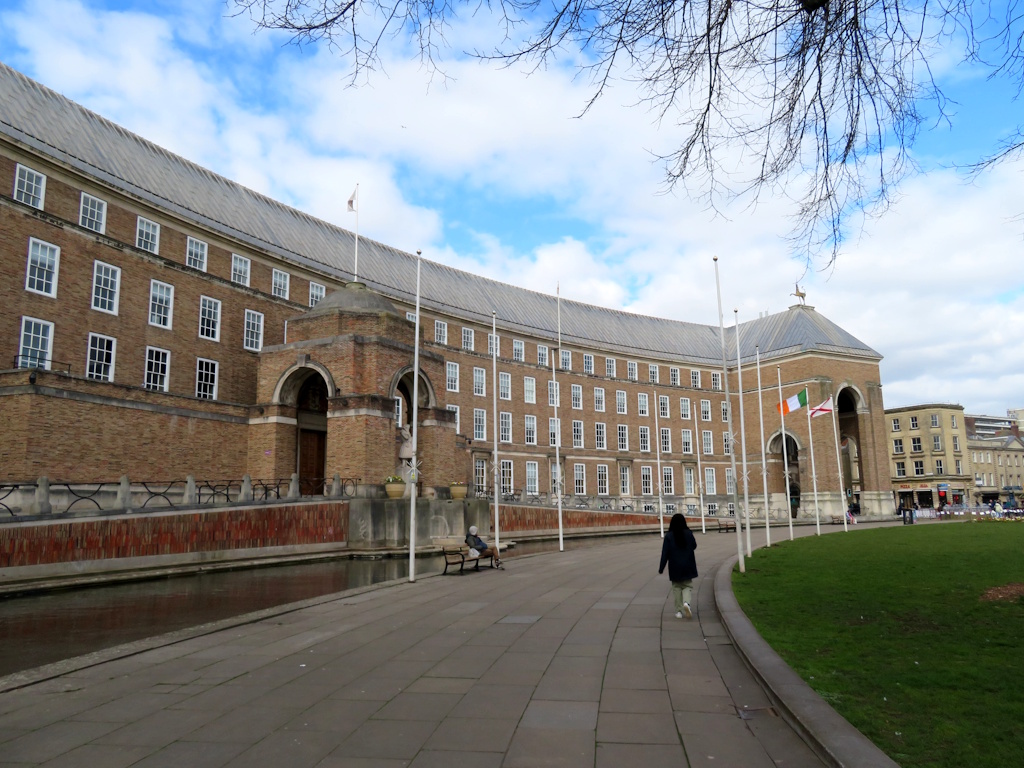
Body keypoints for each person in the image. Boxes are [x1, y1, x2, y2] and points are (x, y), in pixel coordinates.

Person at [659, 513, 698, 619]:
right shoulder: (689, 533)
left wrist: (661, 568)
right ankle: (686, 603)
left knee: (676, 587)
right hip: (688, 564)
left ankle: (679, 611)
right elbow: (694, 546)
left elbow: (665, 553)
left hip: (674, 566)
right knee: (687, 586)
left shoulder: (669, 536)